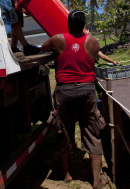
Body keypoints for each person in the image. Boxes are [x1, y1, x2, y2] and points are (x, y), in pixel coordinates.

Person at [41, 10, 108, 189]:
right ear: (83, 25)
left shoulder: (58, 39)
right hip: (87, 91)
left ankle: (68, 174)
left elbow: (42, 47)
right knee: (92, 130)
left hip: (65, 91)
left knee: (64, 129)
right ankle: (96, 180)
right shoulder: (94, 42)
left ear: (69, 24)